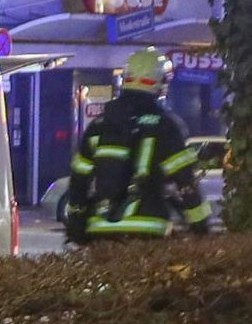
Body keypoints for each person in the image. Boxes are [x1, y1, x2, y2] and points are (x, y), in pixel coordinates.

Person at [60, 49, 214, 243]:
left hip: (101, 229)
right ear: (161, 81)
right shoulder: (166, 125)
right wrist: (201, 226)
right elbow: (185, 182)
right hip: (147, 229)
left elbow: (78, 181)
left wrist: (76, 221)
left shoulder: (99, 125)